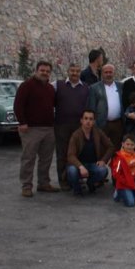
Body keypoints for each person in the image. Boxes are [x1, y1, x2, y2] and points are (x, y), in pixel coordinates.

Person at [14, 60, 59, 197]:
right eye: (42, 70)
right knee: (28, 158)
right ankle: (26, 186)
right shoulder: (26, 86)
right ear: (36, 71)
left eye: (47, 71)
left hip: (48, 128)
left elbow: (54, 105)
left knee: (46, 159)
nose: (45, 73)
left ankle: (43, 183)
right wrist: (22, 122)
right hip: (31, 129)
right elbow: (18, 105)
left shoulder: (50, 88)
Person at [53, 62, 89, 191]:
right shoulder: (58, 85)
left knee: (78, 153)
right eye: (72, 71)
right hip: (61, 126)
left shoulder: (86, 87)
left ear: (80, 72)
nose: (74, 73)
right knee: (62, 154)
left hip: (78, 127)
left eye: (77, 71)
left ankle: (76, 179)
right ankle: (64, 181)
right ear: (67, 71)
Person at [66, 109, 115, 196]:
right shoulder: (75, 135)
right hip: (79, 165)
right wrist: (80, 167)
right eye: (86, 118)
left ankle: (90, 183)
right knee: (71, 170)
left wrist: (103, 160)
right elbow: (70, 156)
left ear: (94, 121)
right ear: (81, 120)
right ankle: (77, 189)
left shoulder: (98, 132)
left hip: (93, 164)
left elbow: (110, 147)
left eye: (91, 119)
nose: (88, 121)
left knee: (103, 170)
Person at [87, 64, 124, 148]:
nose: (108, 74)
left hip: (117, 124)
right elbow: (91, 107)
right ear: (102, 74)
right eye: (106, 72)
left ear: (114, 73)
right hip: (102, 124)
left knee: (116, 148)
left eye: (110, 72)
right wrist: (94, 124)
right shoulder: (94, 88)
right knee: (101, 148)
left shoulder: (121, 86)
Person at [111, 134, 135, 207]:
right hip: (123, 184)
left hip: (132, 180)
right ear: (123, 144)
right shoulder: (119, 157)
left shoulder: (134, 155)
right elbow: (115, 174)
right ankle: (118, 193)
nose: (129, 146)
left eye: (132, 145)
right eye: (127, 144)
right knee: (130, 203)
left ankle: (133, 193)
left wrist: (134, 180)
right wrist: (126, 182)